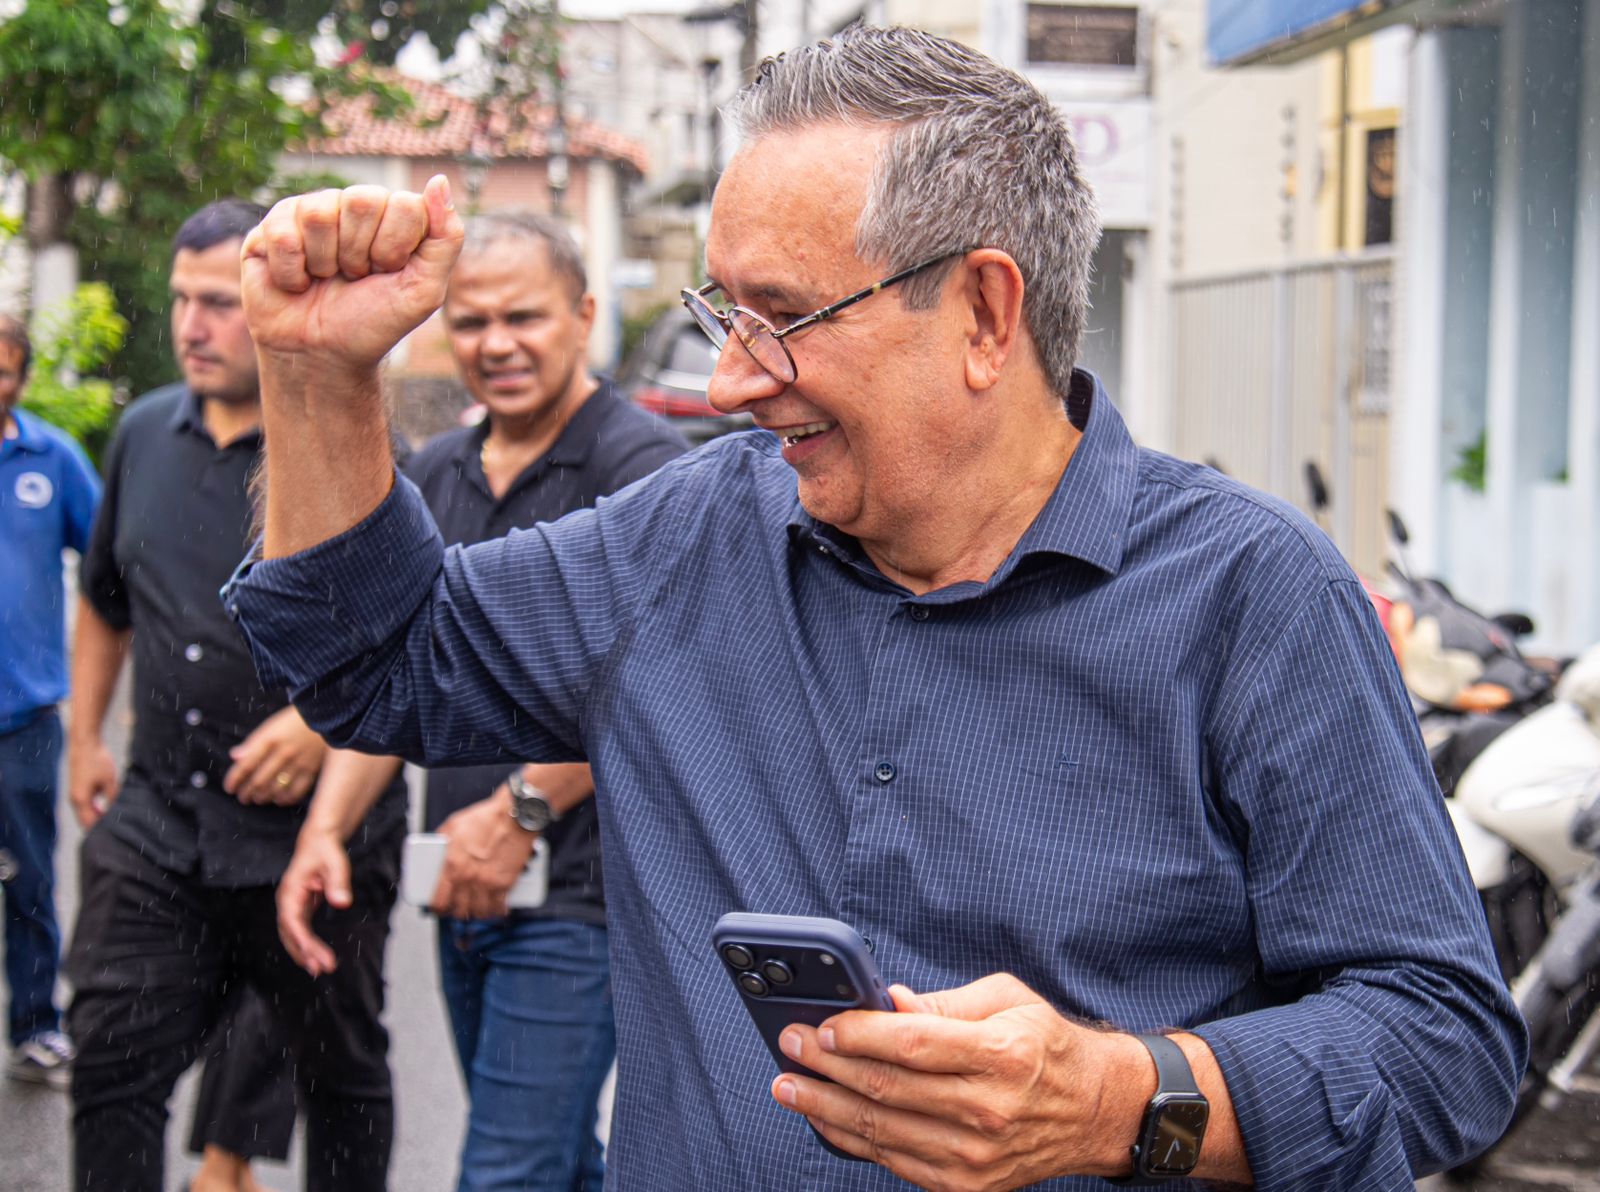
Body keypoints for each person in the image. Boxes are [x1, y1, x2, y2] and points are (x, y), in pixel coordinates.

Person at [234, 26, 1525, 1191]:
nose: (731, 381)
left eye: (783, 318)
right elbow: (373, 660)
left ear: (982, 311)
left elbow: (1442, 1042)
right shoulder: (687, 536)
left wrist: (1123, 1101)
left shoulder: (1253, 598)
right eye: (723, 311)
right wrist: (312, 378)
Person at [276, 209, 686, 1191]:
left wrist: (520, 811)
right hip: (462, 886)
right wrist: (324, 829)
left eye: (524, 317)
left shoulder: (644, 473)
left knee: (506, 1173)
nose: (496, 344)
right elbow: (402, 679)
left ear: (584, 315)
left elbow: (658, 681)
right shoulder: (435, 473)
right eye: (469, 321)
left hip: (587, 896)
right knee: (555, 1163)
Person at [63, 199, 408, 1192]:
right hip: (159, 822)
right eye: (182, 300)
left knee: (339, 1080)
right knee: (111, 1065)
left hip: (313, 839)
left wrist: (317, 721)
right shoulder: (140, 436)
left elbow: (415, 648)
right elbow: (105, 603)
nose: (191, 326)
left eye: (219, 302)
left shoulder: (355, 455)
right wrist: (87, 735)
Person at [0, 313, 99, 1089]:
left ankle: (36, 1023)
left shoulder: (52, 457)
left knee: (29, 879)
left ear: (23, 375)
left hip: (25, 717)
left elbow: (113, 568)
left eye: (4, 368)